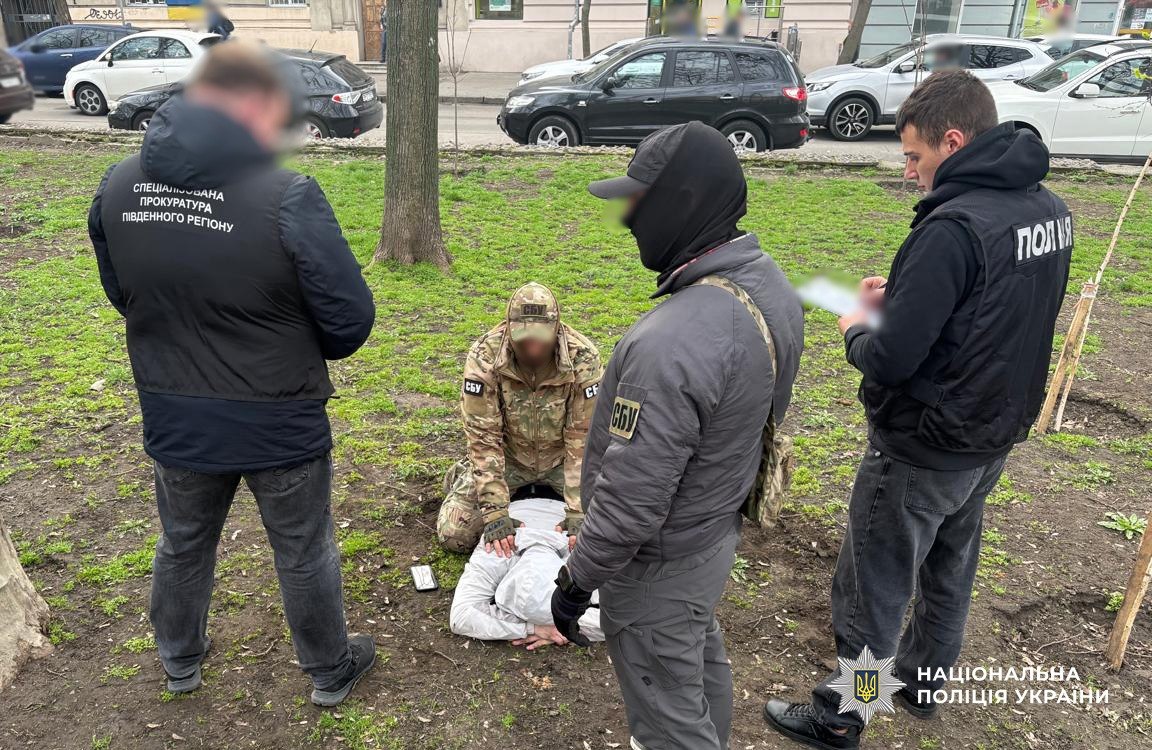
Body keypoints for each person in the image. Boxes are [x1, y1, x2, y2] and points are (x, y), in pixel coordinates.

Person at [763, 71, 1072, 749]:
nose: (908, 172)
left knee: (874, 588)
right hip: (991, 433)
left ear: (953, 141)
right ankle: (923, 683)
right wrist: (904, 296)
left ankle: (845, 714)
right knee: (949, 567)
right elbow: (993, 310)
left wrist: (857, 325)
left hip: (923, 444)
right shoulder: (1047, 209)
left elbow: (892, 359)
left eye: (914, 156)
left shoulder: (952, 228)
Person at [87, 42, 378, 708]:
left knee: (183, 541)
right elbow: (349, 319)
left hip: (176, 407)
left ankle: (179, 659)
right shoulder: (286, 194)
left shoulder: (118, 185)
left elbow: (123, 291)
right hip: (278, 414)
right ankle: (329, 669)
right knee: (302, 548)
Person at [549, 121, 805, 750]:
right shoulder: (768, 285)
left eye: (639, 202)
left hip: (658, 563)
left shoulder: (671, 342)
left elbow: (632, 497)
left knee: (669, 716)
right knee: (693, 661)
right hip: (711, 533)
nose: (628, 219)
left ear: (681, 204)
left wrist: (577, 579)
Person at [436, 282, 602, 556]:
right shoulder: (485, 356)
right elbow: (483, 438)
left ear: (556, 327)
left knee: (608, 525)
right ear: (508, 327)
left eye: (541, 339)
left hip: (562, 462)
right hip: (508, 460)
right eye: (524, 339)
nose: (533, 349)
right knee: (455, 535)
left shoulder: (582, 357)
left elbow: (583, 439)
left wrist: (578, 510)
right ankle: (462, 474)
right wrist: (494, 513)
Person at [450, 489, 605, 647]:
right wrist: (555, 629)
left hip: (568, 499)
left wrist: (539, 628)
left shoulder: (498, 553)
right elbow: (461, 617)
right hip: (513, 498)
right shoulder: (500, 549)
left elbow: (462, 617)